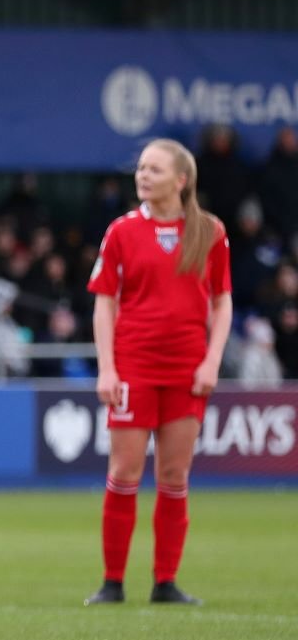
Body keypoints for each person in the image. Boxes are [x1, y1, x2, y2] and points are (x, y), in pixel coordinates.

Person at [84, 138, 232, 607]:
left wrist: (211, 360)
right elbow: (104, 302)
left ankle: (165, 583)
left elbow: (222, 300)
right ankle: (112, 583)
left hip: (187, 368)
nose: (142, 176)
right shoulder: (122, 231)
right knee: (124, 470)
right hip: (134, 366)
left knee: (174, 474)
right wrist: (107, 368)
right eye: (141, 168)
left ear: (181, 180)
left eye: (154, 169)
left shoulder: (210, 232)